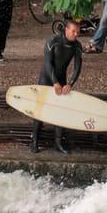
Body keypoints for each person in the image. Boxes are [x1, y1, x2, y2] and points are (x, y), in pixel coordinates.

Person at [30, 19, 82, 154]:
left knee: (60, 110)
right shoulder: (53, 41)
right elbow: (47, 63)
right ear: (66, 29)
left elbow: (77, 67)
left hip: (61, 78)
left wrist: (70, 84)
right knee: (40, 108)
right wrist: (54, 82)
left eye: (78, 32)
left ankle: (58, 143)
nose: (76, 34)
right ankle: (34, 141)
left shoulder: (77, 46)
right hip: (47, 76)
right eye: (74, 31)